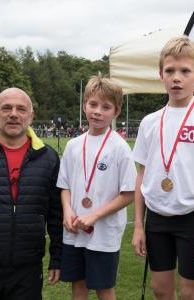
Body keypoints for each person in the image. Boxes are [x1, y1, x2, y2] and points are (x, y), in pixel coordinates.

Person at [132, 36, 194, 300]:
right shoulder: (150, 122)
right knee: (161, 289)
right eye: (170, 71)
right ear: (161, 75)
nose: (176, 77)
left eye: (185, 71)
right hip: (156, 216)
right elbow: (141, 175)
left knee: (191, 293)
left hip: (193, 217)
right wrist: (138, 227)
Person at [57, 75, 137, 300]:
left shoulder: (120, 148)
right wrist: (67, 210)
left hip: (104, 232)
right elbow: (64, 185)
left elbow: (129, 193)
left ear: (116, 111)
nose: (98, 111)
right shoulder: (74, 145)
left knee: (104, 288)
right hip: (73, 228)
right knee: (78, 285)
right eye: (93, 104)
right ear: (85, 106)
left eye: (106, 107)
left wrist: (94, 216)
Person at [0, 87, 62, 300]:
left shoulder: (48, 158)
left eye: (21, 109)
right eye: (6, 108)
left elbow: (56, 213)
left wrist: (57, 258)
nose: (14, 113)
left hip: (28, 268)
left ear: (30, 116)